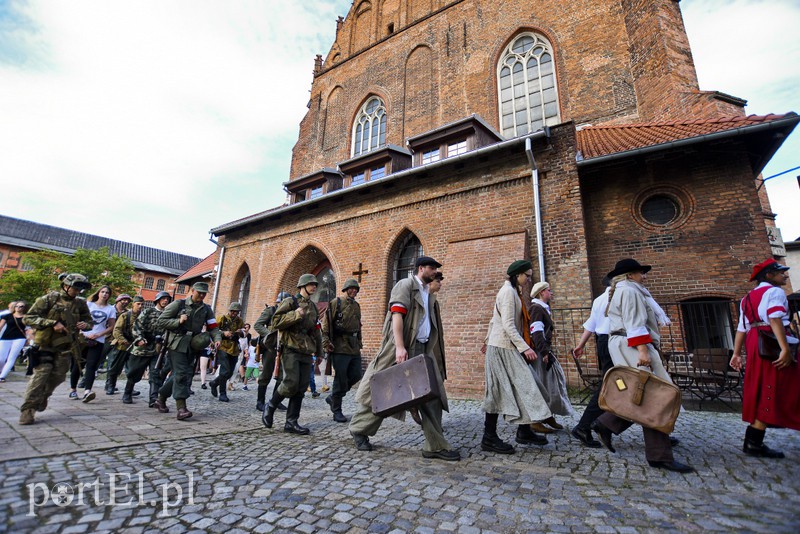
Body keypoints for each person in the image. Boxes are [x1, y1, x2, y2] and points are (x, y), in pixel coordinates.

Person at [349, 256, 459, 461]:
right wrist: (400, 347)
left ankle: (435, 446)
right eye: (432, 268)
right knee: (383, 392)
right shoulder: (405, 285)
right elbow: (397, 316)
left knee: (432, 396)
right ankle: (359, 429)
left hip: (423, 350)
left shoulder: (428, 294)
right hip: (402, 348)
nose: (435, 272)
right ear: (421, 268)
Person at [591, 258, 694, 473]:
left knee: (643, 393)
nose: (644, 277)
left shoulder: (622, 290)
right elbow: (634, 322)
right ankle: (659, 455)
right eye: (640, 273)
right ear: (630, 275)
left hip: (624, 343)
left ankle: (608, 423)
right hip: (632, 344)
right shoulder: (630, 291)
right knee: (656, 396)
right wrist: (643, 350)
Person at [730, 258, 800, 458]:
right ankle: (754, 442)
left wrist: (736, 353)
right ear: (769, 275)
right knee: (782, 385)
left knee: (765, 386)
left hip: (756, 341)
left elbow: (742, 328)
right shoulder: (775, 292)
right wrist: (784, 348)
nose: (784, 275)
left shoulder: (747, 298)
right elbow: (774, 318)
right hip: (772, 340)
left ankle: (754, 441)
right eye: (781, 272)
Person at [481, 260, 552, 454]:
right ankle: (489, 437)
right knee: (497, 391)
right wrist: (524, 348)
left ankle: (524, 431)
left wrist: (487, 339)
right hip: (502, 348)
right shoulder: (507, 293)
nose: (528, 279)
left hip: (506, 346)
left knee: (526, 385)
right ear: (517, 275)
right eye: (526, 276)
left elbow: (494, 320)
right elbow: (507, 324)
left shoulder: (514, 292)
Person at [19, 273, 92, 425]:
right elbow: (28, 318)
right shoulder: (48, 299)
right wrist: (51, 323)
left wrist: (85, 325)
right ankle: (28, 410)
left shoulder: (80, 303)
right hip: (45, 345)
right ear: (66, 286)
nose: (78, 291)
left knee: (58, 376)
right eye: (75, 288)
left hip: (66, 347)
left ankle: (44, 396)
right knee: (40, 376)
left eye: (80, 289)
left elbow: (89, 321)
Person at [262, 275, 323, 435]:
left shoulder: (313, 307)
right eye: (311, 284)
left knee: (301, 387)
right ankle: (271, 406)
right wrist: (295, 315)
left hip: (306, 350)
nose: (314, 287)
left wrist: (319, 352)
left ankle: (291, 422)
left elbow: (316, 330)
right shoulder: (290, 302)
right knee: (290, 383)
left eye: (315, 285)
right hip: (290, 347)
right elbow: (275, 322)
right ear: (302, 286)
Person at [155, 282, 221, 420]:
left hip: (193, 345)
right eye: (199, 292)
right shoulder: (179, 304)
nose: (201, 295)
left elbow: (213, 327)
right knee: (181, 374)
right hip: (177, 343)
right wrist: (178, 321)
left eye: (204, 293)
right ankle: (181, 408)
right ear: (192, 290)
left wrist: (217, 338)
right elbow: (161, 320)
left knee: (180, 373)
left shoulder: (206, 309)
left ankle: (161, 397)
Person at [570, 277, 612, 448]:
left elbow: (591, 324)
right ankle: (585, 426)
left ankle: (658, 435)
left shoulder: (599, 300)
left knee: (614, 385)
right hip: (614, 342)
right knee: (610, 386)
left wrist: (581, 345)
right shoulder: (617, 297)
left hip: (604, 341)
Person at [528, 281, 574, 432]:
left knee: (550, 383)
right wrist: (544, 351)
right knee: (542, 384)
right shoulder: (536, 308)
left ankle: (547, 415)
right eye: (549, 290)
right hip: (540, 353)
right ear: (541, 292)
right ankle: (535, 420)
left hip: (544, 351)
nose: (551, 292)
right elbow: (536, 332)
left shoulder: (542, 308)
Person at [322, 278, 363, 423]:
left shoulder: (356, 306)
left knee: (356, 374)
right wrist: (326, 342)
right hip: (339, 346)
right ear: (345, 289)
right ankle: (337, 410)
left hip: (353, 346)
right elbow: (326, 324)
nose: (354, 291)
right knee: (340, 378)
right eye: (351, 288)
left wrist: (359, 342)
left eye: (356, 289)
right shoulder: (336, 302)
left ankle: (333, 397)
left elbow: (358, 326)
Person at [76, 285, 117, 403]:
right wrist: (81, 332)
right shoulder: (88, 304)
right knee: (78, 365)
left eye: (107, 293)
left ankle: (87, 391)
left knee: (92, 365)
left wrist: (99, 334)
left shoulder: (110, 309)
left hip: (98, 340)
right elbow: (78, 319)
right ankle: (73, 389)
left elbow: (111, 326)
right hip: (83, 338)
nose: (104, 294)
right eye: (102, 292)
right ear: (98, 293)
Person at [132, 290, 172, 407]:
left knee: (155, 373)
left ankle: (153, 398)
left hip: (158, 348)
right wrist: (140, 338)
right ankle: (128, 392)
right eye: (163, 299)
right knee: (136, 371)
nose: (165, 301)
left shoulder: (168, 314)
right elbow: (137, 326)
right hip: (144, 346)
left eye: (167, 299)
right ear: (157, 300)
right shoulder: (148, 312)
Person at [253, 292, 291, 413]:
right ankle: (260, 401)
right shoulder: (271, 310)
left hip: (285, 347)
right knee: (266, 374)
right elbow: (258, 325)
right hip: (270, 347)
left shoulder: (290, 314)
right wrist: (270, 335)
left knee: (282, 376)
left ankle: (276, 401)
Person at [209, 302, 245, 402]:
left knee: (229, 373)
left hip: (234, 348)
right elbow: (213, 330)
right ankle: (222, 393)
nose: (234, 313)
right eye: (233, 311)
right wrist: (223, 333)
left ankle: (214, 383)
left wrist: (241, 332)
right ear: (229, 311)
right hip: (223, 346)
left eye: (236, 312)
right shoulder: (222, 318)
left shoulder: (239, 321)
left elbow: (244, 333)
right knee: (224, 370)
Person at [104, 295, 139, 395]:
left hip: (134, 346)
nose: (140, 306)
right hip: (120, 344)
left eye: (142, 304)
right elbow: (117, 330)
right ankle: (110, 386)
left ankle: (130, 388)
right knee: (115, 366)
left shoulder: (141, 317)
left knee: (132, 368)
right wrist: (123, 340)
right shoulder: (125, 315)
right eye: (138, 304)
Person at [0, 301, 32, 382]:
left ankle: (2, 376)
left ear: (24, 308)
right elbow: (0, 326)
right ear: (14, 307)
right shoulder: (7, 316)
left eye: (21, 306)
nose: (18, 308)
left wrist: (29, 339)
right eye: (17, 306)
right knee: (1, 358)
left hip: (19, 338)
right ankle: (1, 371)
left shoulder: (26, 318)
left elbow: (28, 329)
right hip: (6, 337)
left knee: (11, 357)